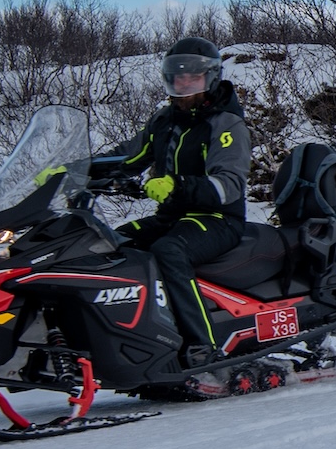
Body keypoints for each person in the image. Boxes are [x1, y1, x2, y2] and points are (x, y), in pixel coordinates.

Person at [88, 37, 252, 362]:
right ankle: (135, 338)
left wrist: (176, 186)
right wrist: (75, 171)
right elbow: (128, 157)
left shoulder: (225, 124)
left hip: (217, 220)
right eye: (178, 76)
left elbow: (228, 184)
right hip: (172, 218)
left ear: (210, 77)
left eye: (192, 76)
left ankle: (202, 346)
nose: (184, 83)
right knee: (112, 245)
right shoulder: (164, 121)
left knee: (168, 250)